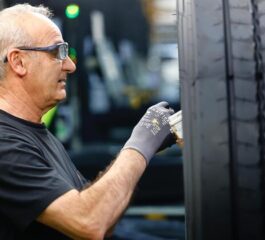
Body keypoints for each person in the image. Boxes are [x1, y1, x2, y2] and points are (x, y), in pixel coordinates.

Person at [0, 3, 176, 239]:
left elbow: (103, 213)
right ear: (18, 62)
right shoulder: (6, 145)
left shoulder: (36, 134)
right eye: (57, 53)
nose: (70, 65)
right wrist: (140, 144)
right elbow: (90, 222)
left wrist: (145, 144)